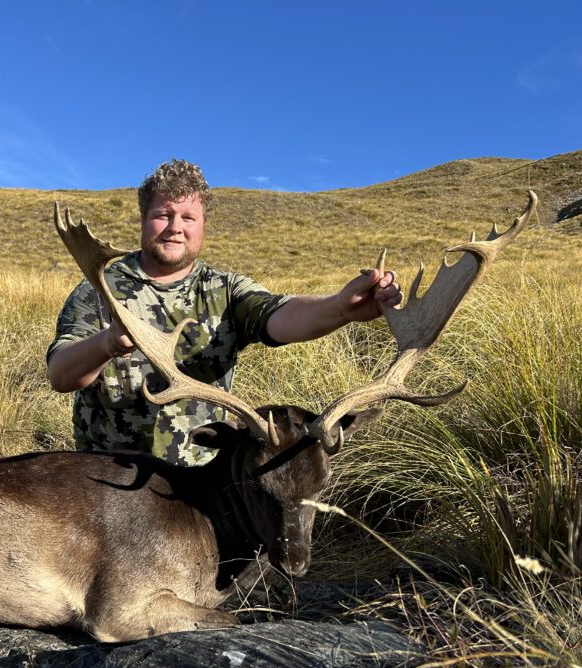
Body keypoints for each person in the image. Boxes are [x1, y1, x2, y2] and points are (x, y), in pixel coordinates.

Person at [46, 159, 401, 466]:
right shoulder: (101, 288)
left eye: (188, 217)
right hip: (106, 477)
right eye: (163, 215)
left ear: (202, 226)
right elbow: (61, 376)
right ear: (143, 219)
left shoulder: (225, 290)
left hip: (201, 478)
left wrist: (340, 307)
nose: (176, 227)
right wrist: (107, 343)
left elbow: (281, 316)